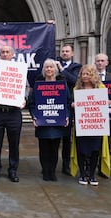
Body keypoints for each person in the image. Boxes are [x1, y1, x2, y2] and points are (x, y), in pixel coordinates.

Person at [28, 59, 71, 181]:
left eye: (51, 67)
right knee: (44, 148)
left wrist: (66, 115)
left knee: (54, 148)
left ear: (55, 70)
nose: (49, 69)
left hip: (57, 122)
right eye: (46, 67)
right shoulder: (38, 84)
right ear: (43, 70)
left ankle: (52, 171)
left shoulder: (62, 85)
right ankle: (46, 172)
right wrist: (34, 116)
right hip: (42, 122)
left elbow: (68, 102)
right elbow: (32, 103)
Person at [0, 45, 23, 182]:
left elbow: (25, 88)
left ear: (12, 54)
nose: (5, 54)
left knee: (14, 144)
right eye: (2, 52)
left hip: (13, 113)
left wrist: (24, 99)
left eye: (8, 52)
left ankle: (13, 170)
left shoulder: (19, 71)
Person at [71, 64, 107, 186]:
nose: (85, 76)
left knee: (95, 150)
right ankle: (82, 174)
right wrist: (73, 105)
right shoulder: (77, 89)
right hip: (82, 125)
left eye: (88, 74)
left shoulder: (101, 88)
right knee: (81, 150)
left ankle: (92, 175)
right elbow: (73, 105)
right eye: (83, 74)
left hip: (96, 126)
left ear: (93, 75)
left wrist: (107, 102)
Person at [55, 44, 82, 176]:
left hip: (70, 106)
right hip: (55, 105)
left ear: (72, 53)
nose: (64, 53)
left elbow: (76, 81)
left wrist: (61, 70)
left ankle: (66, 165)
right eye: (63, 51)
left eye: (67, 51)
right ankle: (50, 165)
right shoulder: (54, 63)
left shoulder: (77, 67)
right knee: (54, 137)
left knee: (67, 138)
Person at [94, 53, 111, 178]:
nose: (100, 63)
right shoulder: (90, 78)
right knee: (95, 142)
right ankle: (90, 168)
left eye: (102, 61)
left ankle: (103, 168)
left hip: (109, 115)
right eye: (98, 61)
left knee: (108, 143)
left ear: (107, 63)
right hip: (93, 115)